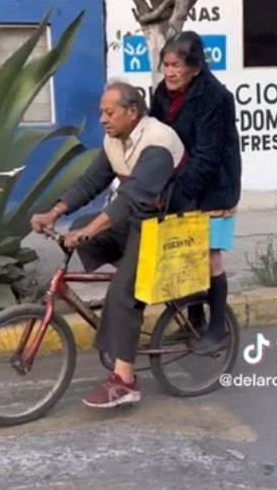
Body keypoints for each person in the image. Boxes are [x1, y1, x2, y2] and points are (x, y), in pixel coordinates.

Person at [30, 81, 187, 408]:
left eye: (109, 112)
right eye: (101, 112)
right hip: (135, 221)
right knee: (80, 227)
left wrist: (93, 228)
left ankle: (125, 381)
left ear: (132, 112)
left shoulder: (157, 142)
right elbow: (92, 182)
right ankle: (128, 288)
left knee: (122, 293)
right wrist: (54, 212)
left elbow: (129, 200)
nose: (102, 119)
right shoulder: (114, 140)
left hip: (164, 225)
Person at [150, 31, 242, 355]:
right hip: (181, 181)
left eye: (176, 65)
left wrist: (174, 194)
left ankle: (217, 328)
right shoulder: (162, 93)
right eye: (166, 65)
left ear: (196, 67)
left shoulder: (213, 97)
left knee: (209, 255)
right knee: (186, 254)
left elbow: (208, 157)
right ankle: (194, 324)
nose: (170, 72)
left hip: (215, 185)